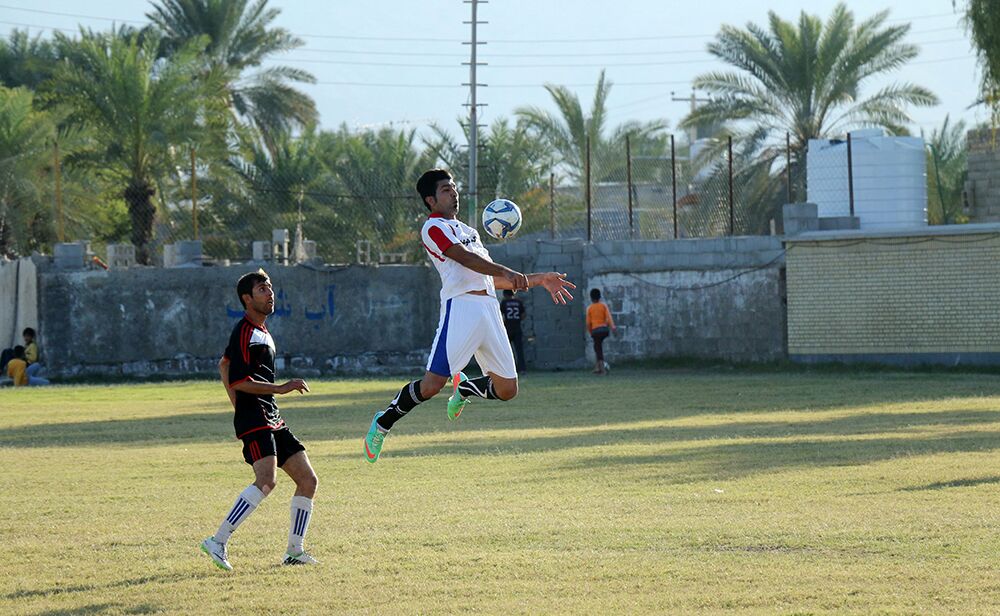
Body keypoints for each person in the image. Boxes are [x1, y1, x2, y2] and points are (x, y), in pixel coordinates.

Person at [363, 168, 576, 463]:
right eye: (446, 190)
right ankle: (383, 422)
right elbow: (464, 259)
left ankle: (464, 388)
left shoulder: (470, 231)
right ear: (430, 200)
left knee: (507, 389)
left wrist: (537, 279)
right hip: (460, 308)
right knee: (430, 386)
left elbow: (490, 278)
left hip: (489, 308)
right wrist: (504, 270)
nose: (454, 193)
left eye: (454, 188)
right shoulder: (432, 228)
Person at [200, 269, 318, 571]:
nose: (270, 293)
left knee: (307, 480)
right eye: (262, 289)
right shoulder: (244, 331)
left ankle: (294, 551)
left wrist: (238, 399)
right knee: (266, 481)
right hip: (255, 417)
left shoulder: (262, 331)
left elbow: (223, 364)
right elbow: (239, 378)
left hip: (271, 415)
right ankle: (218, 541)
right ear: (247, 298)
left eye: (270, 288)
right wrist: (275, 389)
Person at [586, 288, 617, 375]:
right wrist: (613, 327)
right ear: (600, 297)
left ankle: (602, 370)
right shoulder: (603, 306)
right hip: (604, 330)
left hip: (596, 331)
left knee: (598, 349)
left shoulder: (590, 308)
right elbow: (609, 318)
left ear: (591, 298)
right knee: (597, 347)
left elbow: (588, 323)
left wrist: (590, 332)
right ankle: (597, 367)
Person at [499, 289, 526, 372]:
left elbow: (500, 315)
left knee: (506, 350)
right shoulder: (518, 302)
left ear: (505, 294)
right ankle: (522, 369)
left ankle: (507, 369)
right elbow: (523, 315)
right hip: (517, 328)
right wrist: (517, 321)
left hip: (508, 328)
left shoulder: (504, 302)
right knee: (519, 350)